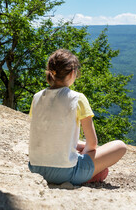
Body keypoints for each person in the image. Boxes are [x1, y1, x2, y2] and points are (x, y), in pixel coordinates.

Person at [28, 49, 127, 185]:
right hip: (65, 173)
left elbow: (49, 133)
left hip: (35, 169)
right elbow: (92, 144)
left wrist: (79, 146)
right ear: (73, 73)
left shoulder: (37, 97)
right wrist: (84, 155)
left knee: (82, 146)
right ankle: (89, 176)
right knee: (120, 146)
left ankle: (89, 172)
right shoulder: (77, 98)